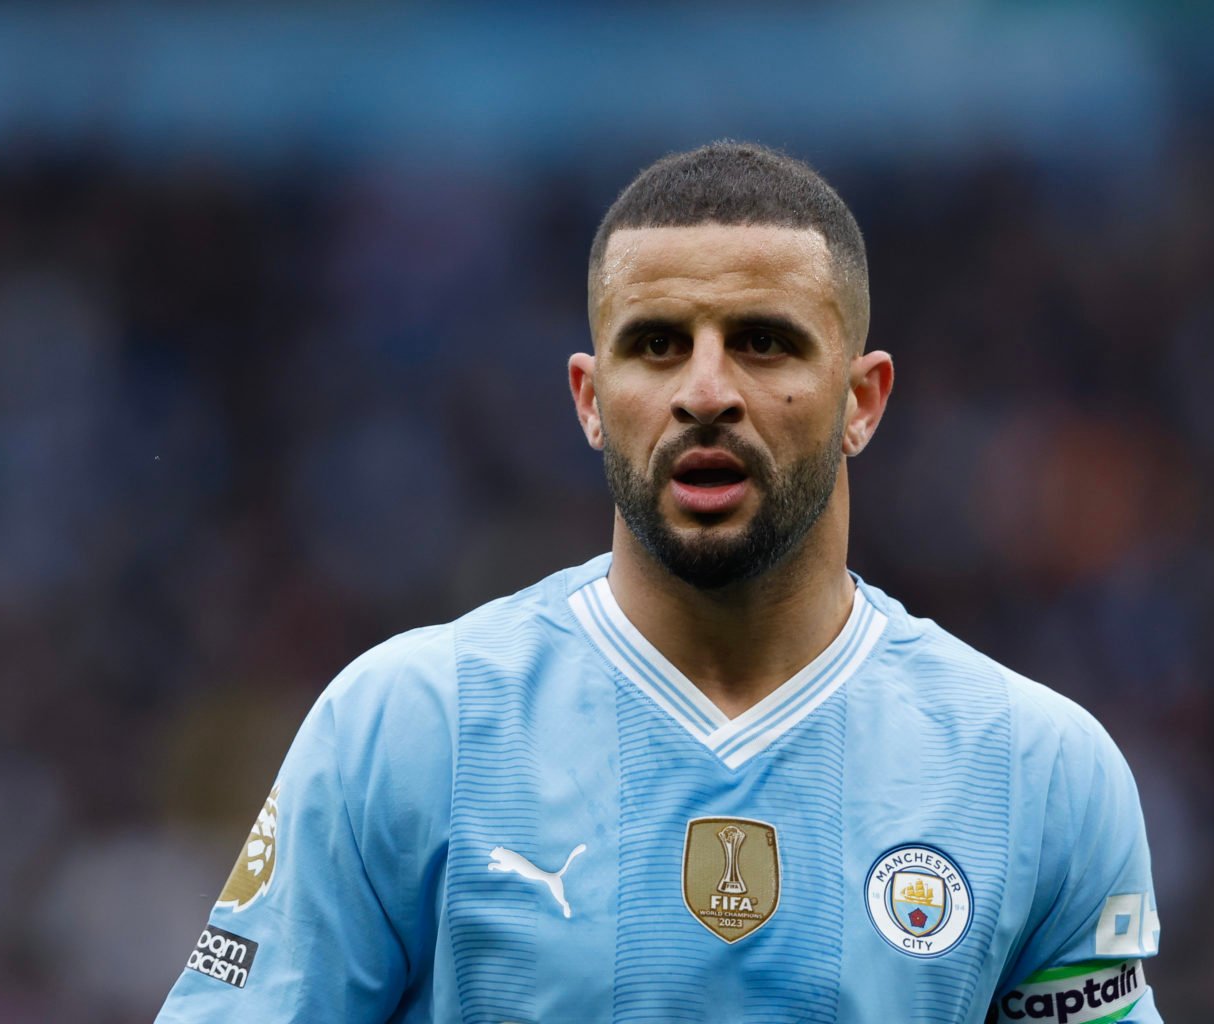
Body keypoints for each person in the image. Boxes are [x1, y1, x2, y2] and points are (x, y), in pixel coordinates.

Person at [155, 142, 1162, 1024]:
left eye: (763, 341)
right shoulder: (411, 725)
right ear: (592, 400)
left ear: (863, 400)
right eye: (657, 345)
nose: (706, 391)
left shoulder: (1036, 771)